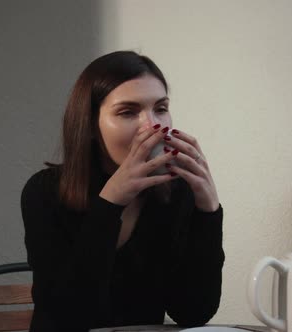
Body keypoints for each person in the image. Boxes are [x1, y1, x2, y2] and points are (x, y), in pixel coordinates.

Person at [21, 50, 224, 332]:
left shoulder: (175, 192)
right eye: (128, 112)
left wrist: (209, 211)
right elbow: (67, 316)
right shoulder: (44, 192)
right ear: (91, 124)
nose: (152, 125)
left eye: (161, 108)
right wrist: (111, 203)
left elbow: (193, 312)